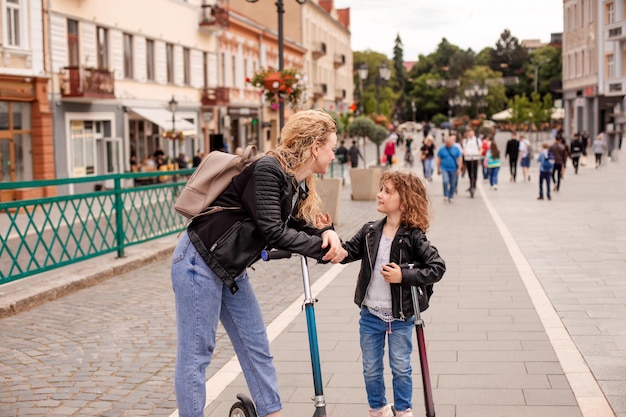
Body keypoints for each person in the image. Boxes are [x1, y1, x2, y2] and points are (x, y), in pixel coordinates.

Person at [171, 109, 348, 417]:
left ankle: (272, 412)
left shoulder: (293, 181)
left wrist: (326, 233)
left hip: (230, 269)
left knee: (256, 345)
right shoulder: (268, 169)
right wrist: (321, 250)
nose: (334, 154)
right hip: (198, 262)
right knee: (197, 354)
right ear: (315, 147)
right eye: (332, 147)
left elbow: (292, 223)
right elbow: (273, 230)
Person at [339, 171, 446, 417]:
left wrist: (404, 276)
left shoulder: (414, 236)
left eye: (387, 191)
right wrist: (327, 236)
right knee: (371, 368)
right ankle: (377, 410)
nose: (380, 194)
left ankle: (403, 411)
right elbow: (346, 252)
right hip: (370, 315)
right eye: (381, 189)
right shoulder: (370, 231)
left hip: (401, 317)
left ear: (404, 201)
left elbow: (437, 267)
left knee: (400, 367)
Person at [437, 134, 463, 203]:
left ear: (452, 143)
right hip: (444, 168)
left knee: (452, 184)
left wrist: (459, 168)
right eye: (447, 144)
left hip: (453, 169)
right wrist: (438, 168)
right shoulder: (442, 149)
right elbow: (439, 159)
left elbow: (460, 159)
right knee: (445, 181)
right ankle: (445, 194)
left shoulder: (456, 149)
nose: (448, 145)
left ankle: (450, 196)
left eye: (449, 144)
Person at [461, 128, 482, 198]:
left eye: (471, 133)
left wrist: (479, 153)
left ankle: (474, 185)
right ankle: (471, 185)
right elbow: (463, 148)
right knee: (470, 173)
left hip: (475, 157)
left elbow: (481, 148)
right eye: (469, 133)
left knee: (475, 173)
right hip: (468, 158)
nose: (470, 134)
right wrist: (465, 153)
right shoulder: (465, 140)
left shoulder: (477, 140)